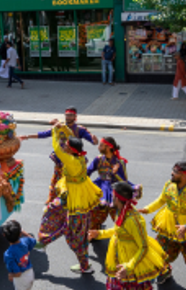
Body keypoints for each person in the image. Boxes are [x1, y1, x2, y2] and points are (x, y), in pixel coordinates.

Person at [89, 181, 168, 290]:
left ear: (118, 198)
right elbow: (117, 231)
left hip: (129, 266)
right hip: (117, 263)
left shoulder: (134, 219)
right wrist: (100, 233)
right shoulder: (121, 212)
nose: (110, 198)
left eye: (113, 195)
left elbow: (143, 247)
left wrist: (129, 266)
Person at [37, 123, 102, 274]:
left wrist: (54, 131)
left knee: (75, 238)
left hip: (76, 205)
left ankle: (85, 266)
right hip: (68, 197)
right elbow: (70, 138)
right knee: (50, 210)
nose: (64, 146)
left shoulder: (72, 162)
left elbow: (56, 148)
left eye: (66, 145)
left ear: (71, 150)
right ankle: (44, 240)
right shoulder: (80, 157)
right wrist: (64, 129)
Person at [140, 162, 186, 290]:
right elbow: (161, 200)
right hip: (168, 226)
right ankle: (165, 272)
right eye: (172, 170)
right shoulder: (169, 185)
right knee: (161, 252)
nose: (171, 174)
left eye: (175, 172)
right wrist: (147, 209)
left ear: (185, 175)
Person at [21, 108, 98, 202]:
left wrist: (94, 141)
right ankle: (52, 197)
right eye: (67, 115)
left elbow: (92, 140)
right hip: (61, 159)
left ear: (75, 117)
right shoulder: (59, 127)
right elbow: (44, 134)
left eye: (70, 115)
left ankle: (72, 198)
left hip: (73, 160)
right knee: (56, 179)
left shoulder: (79, 129)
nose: (68, 117)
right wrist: (28, 136)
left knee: (72, 181)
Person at [87, 136, 132, 231]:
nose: (98, 147)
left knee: (118, 216)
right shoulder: (98, 159)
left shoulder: (120, 162)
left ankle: (124, 233)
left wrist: (116, 173)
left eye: (101, 145)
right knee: (95, 213)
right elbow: (88, 172)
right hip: (100, 189)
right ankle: (95, 231)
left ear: (108, 147)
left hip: (114, 192)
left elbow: (124, 181)